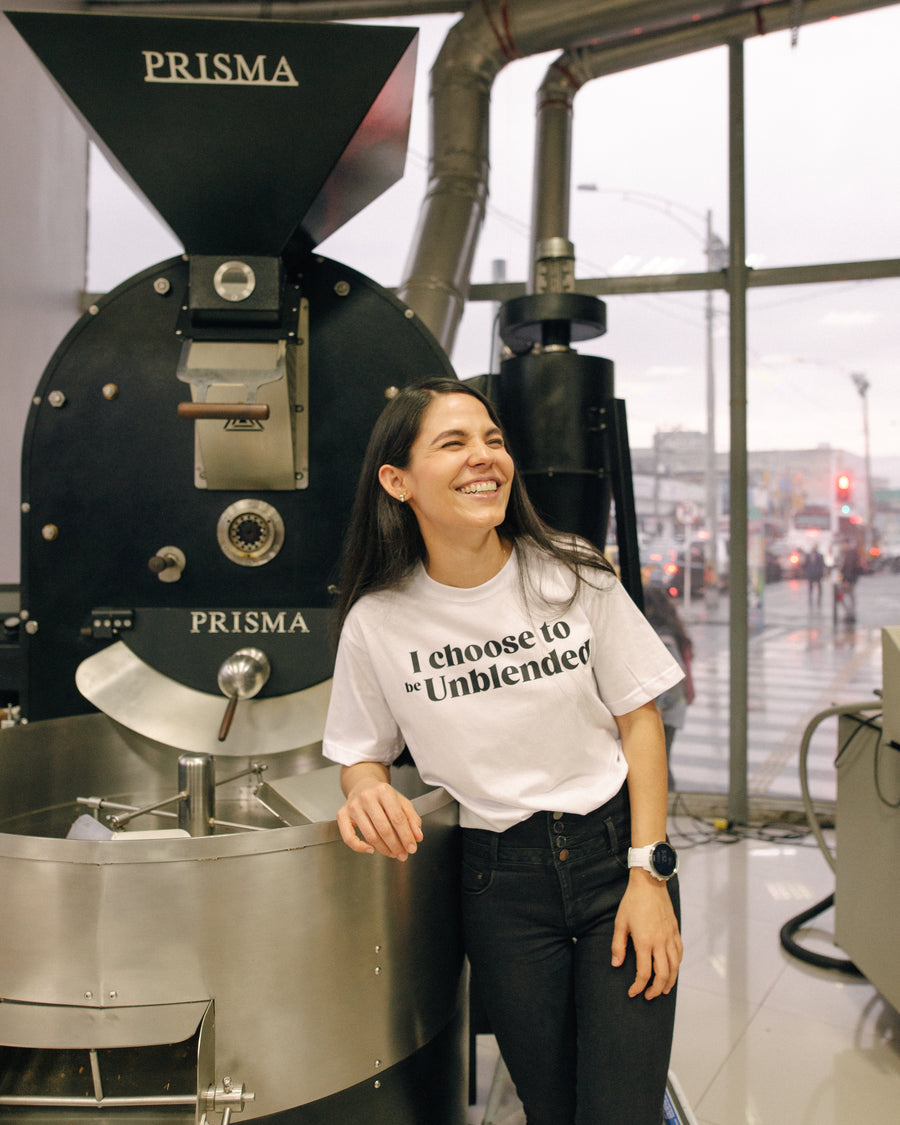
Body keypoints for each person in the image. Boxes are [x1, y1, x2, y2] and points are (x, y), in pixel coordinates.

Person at [322, 377, 684, 1125]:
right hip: (500, 886)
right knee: (552, 1108)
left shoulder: (571, 570)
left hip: (616, 861)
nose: (484, 457)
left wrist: (650, 874)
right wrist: (364, 789)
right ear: (397, 481)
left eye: (492, 439)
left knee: (618, 1110)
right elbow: (361, 751)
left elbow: (640, 722)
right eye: (452, 443)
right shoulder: (379, 621)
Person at [642, 586, 695, 791]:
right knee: (661, 764)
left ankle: (666, 806)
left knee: (659, 767)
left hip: (666, 713)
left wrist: (659, 707)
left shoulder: (662, 637)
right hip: (671, 710)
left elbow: (674, 677)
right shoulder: (670, 630)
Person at [839, 540, 861, 621]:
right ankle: (850, 612)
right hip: (851, 579)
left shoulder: (850, 553)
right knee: (850, 596)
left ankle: (850, 613)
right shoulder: (849, 553)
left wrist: (846, 580)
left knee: (842, 596)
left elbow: (849, 568)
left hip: (849, 579)